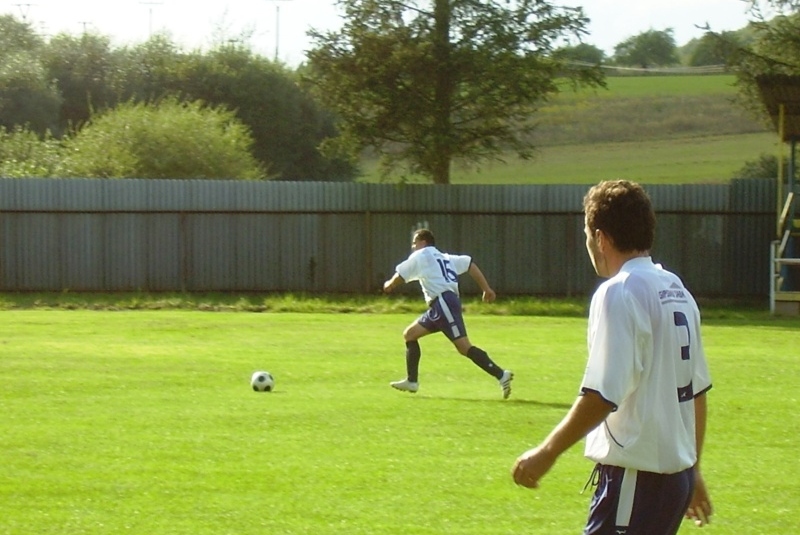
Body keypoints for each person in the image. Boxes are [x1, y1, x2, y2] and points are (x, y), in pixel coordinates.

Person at [511, 180, 713, 534]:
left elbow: (602, 395)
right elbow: (695, 393)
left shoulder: (618, 292)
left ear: (601, 238)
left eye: (588, 236)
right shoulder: (675, 288)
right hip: (671, 478)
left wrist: (547, 452)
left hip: (637, 479)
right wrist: (691, 468)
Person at [382, 228, 514, 399]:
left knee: (464, 347)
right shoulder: (444, 257)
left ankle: (501, 374)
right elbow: (469, 264)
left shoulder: (422, 255)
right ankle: (412, 381)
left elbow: (402, 273)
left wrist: (389, 284)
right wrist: (486, 288)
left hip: (443, 302)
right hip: (440, 305)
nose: (413, 247)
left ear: (423, 242)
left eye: (415, 242)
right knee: (410, 334)